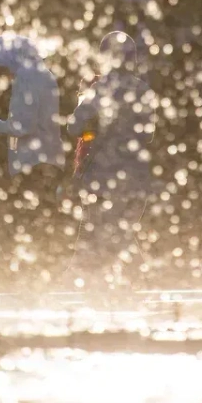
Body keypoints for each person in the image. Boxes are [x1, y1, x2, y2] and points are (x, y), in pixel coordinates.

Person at [66, 32, 158, 285]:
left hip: (102, 179)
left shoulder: (100, 90)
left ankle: (137, 284)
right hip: (136, 178)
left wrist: (93, 131)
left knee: (101, 236)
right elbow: (148, 135)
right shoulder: (143, 89)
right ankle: (137, 286)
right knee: (120, 234)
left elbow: (73, 128)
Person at [0, 34, 66, 185]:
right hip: (47, 161)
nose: (2, 74)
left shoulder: (27, 75)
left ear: (10, 58)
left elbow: (23, 125)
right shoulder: (41, 73)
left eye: (0, 67)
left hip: (34, 164)